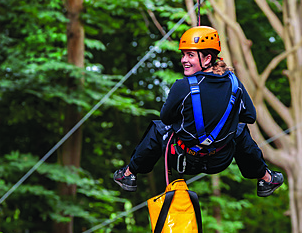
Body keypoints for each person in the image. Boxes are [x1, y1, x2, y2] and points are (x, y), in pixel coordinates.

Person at [113, 26, 284, 197]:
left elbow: (165, 118)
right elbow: (250, 116)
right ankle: (266, 178)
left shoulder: (182, 87)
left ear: (208, 58)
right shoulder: (234, 84)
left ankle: (129, 175)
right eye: (184, 54)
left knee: (158, 128)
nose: (184, 60)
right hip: (220, 159)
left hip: (184, 159)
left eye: (190, 55)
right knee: (239, 131)